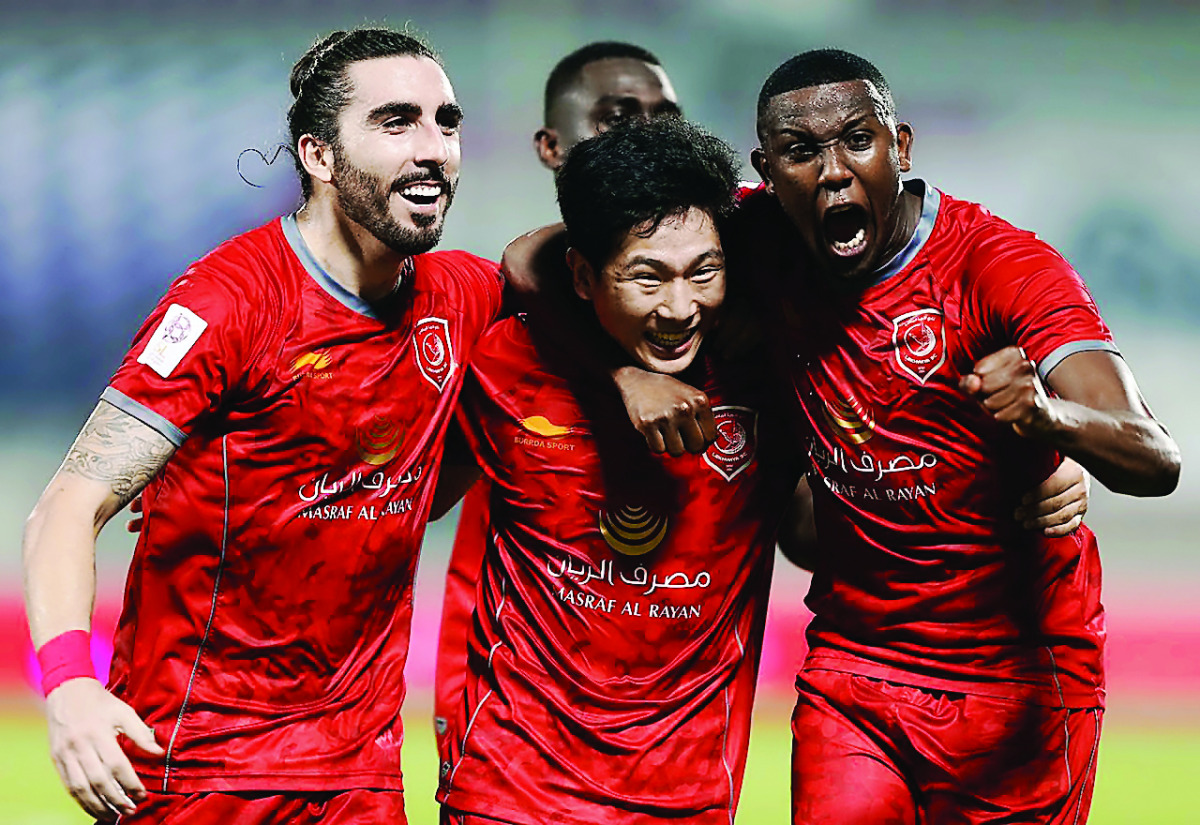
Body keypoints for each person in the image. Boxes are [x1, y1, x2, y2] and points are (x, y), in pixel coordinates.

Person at [22, 27, 503, 824]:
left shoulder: (466, 297)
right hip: (200, 766)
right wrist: (70, 686)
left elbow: (591, 291)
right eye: (396, 123)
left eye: (445, 123)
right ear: (319, 155)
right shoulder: (231, 302)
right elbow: (65, 507)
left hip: (362, 772)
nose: (434, 150)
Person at [733, 49, 1179, 824]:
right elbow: (575, 247)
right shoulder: (757, 242)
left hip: (1017, 679)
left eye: (858, 141)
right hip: (855, 667)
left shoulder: (999, 267)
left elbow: (1155, 455)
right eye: (801, 152)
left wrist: (1051, 419)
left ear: (900, 146)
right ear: (766, 173)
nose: (834, 173)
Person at [436, 116, 802, 824]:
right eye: (647, 277)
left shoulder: (769, 377)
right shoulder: (506, 363)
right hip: (509, 791)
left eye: (704, 271)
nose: (679, 308)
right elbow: (404, 501)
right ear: (581, 275)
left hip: (685, 800)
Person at [433, 41, 684, 756]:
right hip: (512, 705)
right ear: (550, 147)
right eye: (617, 117)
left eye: (665, 117)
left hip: (670, 721)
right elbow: (422, 492)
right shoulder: (503, 320)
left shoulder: (728, 291)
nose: (646, 136)